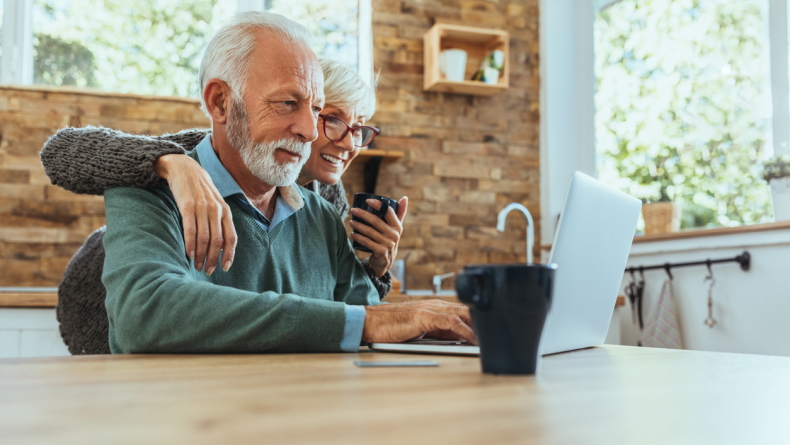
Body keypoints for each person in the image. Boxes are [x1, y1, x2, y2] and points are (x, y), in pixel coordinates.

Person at [42, 11, 475, 354]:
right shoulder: (148, 179)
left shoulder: (324, 209)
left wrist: (399, 297)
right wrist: (365, 321)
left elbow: (365, 314)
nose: (310, 130)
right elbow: (143, 315)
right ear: (220, 102)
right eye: (289, 103)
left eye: (317, 109)